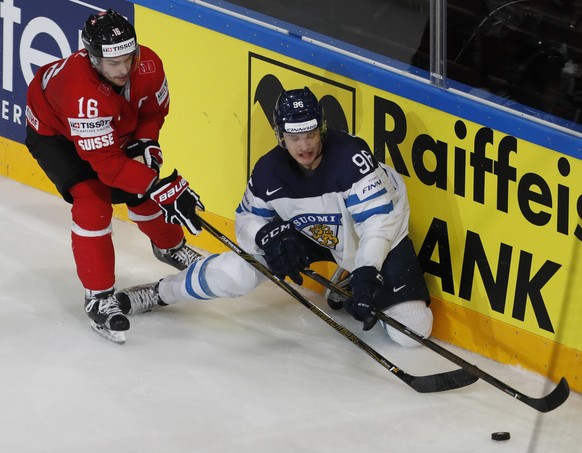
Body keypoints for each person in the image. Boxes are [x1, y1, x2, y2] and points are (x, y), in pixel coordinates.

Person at [116, 87, 433, 347]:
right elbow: (246, 221)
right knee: (238, 272)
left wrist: (366, 276)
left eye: (310, 134)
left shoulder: (351, 158)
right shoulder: (269, 172)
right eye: (294, 138)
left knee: (413, 331)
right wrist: (266, 237)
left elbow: (377, 224)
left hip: (374, 232)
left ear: (321, 128)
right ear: (281, 135)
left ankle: (349, 274)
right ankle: (159, 292)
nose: (305, 146)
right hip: (313, 233)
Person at [24, 9, 204, 342]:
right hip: (56, 134)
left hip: (109, 126)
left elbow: (153, 112)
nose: (124, 69)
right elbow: (107, 165)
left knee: (144, 182)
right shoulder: (81, 93)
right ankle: (99, 296)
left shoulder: (147, 64)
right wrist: (158, 186)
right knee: (93, 203)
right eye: (113, 63)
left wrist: (147, 145)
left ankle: (170, 246)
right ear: (93, 59)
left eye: (128, 58)